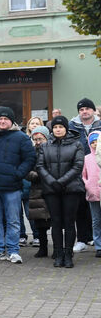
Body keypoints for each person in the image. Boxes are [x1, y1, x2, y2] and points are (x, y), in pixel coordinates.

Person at [0, 106, 36, 264]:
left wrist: (18, 174)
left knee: (13, 221)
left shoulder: (21, 138)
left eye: (6, 119)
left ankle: (13, 250)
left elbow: (29, 159)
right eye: (0, 119)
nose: (2, 121)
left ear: (11, 121)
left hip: (12, 188)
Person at [37, 114, 84, 268]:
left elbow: (77, 166)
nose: (58, 129)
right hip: (51, 189)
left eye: (61, 127)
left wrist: (62, 181)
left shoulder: (76, 145)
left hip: (71, 189)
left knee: (69, 222)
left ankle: (68, 254)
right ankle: (58, 253)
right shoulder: (45, 146)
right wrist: (52, 182)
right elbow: (40, 166)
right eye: (55, 127)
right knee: (56, 222)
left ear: (66, 128)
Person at [70, 98, 101, 252]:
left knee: (96, 211)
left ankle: (96, 240)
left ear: (93, 111)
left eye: (87, 109)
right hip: (79, 171)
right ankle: (82, 239)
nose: (84, 111)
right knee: (80, 207)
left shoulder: (100, 125)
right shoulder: (72, 126)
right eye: (81, 109)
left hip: (98, 172)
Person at [27, 126, 53, 259]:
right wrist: (36, 175)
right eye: (35, 139)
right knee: (40, 223)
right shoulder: (31, 153)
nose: (38, 142)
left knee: (55, 221)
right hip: (36, 191)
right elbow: (27, 170)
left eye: (40, 139)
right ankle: (43, 248)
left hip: (52, 189)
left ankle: (57, 248)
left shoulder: (53, 151)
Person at [83, 132, 101, 257]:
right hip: (93, 192)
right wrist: (87, 185)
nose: (95, 144)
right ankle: (98, 245)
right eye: (92, 142)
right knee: (96, 220)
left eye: (97, 142)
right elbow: (83, 175)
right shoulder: (87, 158)